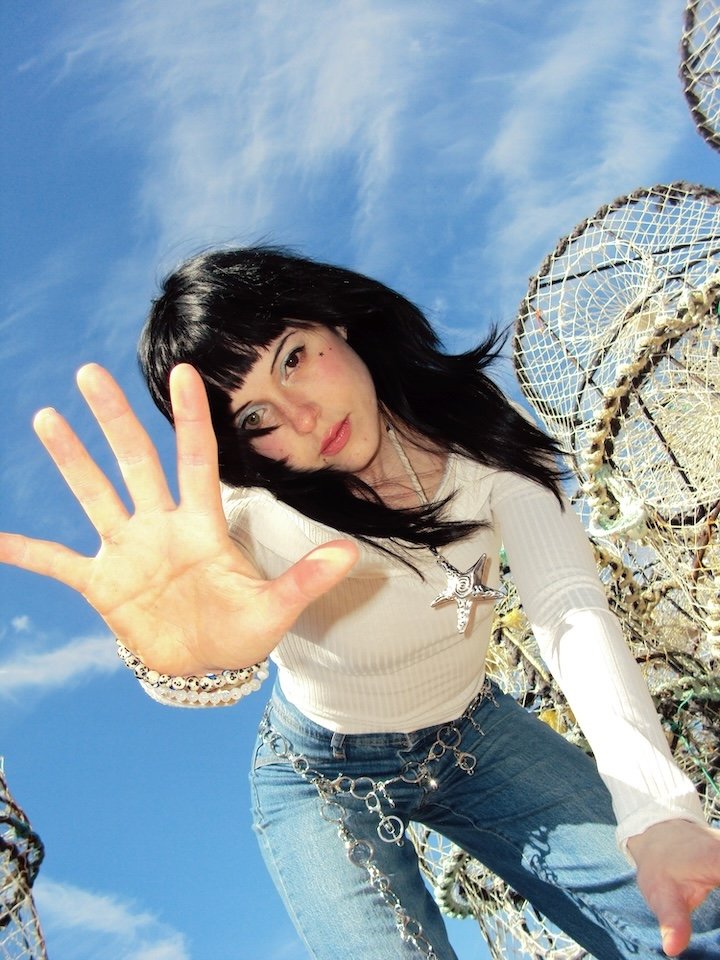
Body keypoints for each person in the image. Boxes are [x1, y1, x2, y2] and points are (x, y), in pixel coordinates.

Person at [1, 246, 719, 960]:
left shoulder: (475, 427)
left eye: (293, 357)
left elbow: (568, 608)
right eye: (255, 418)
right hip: (320, 777)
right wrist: (182, 658)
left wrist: (657, 812)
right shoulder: (244, 513)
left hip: (476, 730)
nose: (303, 417)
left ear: (335, 321)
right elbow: (214, 642)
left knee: (696, 913)